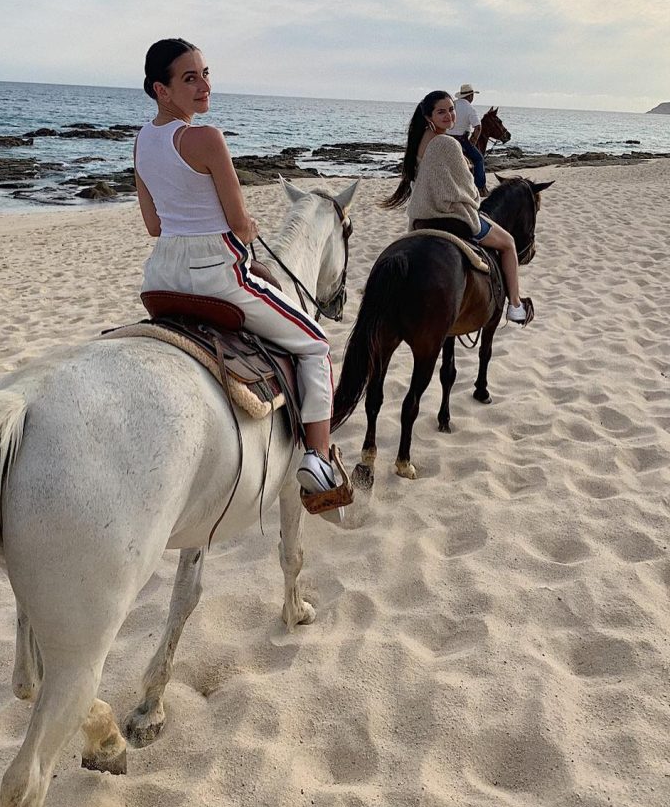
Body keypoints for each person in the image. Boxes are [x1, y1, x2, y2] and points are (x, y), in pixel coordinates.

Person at [134, 37, 350, 504]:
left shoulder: (142, 142)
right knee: (315, 344)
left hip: (161, 278)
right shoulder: (206, 138)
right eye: (189, 78)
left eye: (205, 73)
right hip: (217, 276)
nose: (204, 85)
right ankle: (317, 458)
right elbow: (238, 223)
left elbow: (154, 226)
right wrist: (249, 225)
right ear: (161, 90)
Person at [382, 91, 532, 324]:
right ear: (429, 116)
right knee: (508, 243)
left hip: (421, 217)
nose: (449, 115)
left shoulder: (420, 140)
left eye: (451, 110)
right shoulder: (447, 143)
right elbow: (466, 187)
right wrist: (474, 198)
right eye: (441, 112)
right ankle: (515, 305)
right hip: (451, 215)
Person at [447, 83, 487, 197]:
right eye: (473, 95)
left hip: (446, 138)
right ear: (470, 96)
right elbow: (478, 127)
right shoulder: (469, 108)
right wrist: (473, 141)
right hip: (461, 140)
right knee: (478, 159)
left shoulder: (452, 104)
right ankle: (480, 187)